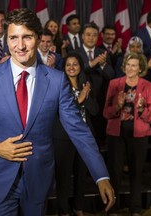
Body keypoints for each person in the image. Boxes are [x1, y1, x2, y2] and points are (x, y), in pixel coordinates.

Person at [0, 8, 115, 216]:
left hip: (37, 181)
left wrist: (101, 175)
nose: (21, 45)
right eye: (14, 38)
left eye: (27, 37)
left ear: (38, 38)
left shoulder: (56, 80)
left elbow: (78, 129)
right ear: (6, 41)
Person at [103, 53, 151, 216]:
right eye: (128, 64)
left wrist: (141, 109)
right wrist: (118, 106)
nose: (130, 68)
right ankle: (113, 209)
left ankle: (136, 209)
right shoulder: (114, 84)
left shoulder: (148, 86)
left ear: (140, 68)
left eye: (134, 65)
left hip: (139, 135)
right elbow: (106, 113)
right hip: (116, 135)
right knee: (115, 173)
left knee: (136, 173)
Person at [53, 52, 98, 216]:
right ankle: (63, 211)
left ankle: (79, 208)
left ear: (80, 67)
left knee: (81, 176)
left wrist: (86, 97)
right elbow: (57, 113)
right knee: (63, 177)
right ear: (64, 68)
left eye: (75, 64)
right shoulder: (58, 86)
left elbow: (94, 110)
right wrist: (79, 100)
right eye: (68, 65)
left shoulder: (86, 84)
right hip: (63, 138)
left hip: (83, 138)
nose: (72, 67)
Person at [74, 22, 115, 148]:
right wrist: (93, 63)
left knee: (99, 138)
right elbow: (78, 71)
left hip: (101, 100)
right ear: (82, 36)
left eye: (94, 35)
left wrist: (102, 64)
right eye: (88, 35)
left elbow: (111, 75)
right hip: (83, 101)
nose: (91, 38)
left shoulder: (103, 53)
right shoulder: (76, 53)